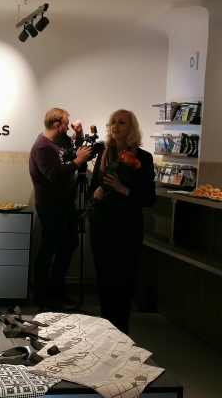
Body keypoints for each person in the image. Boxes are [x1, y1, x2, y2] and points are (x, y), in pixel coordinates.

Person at [87, 109, 156, 334]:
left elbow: (149, 198)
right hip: (101, 227)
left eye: (121, 122)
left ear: (131, 128)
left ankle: (121, 336)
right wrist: (96, 192)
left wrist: (123, 189)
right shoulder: (103, 154)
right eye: (113, 122)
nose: (115, 126)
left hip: (127, 230)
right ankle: (106, 332)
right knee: (104, 283)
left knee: (123, 284)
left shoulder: (143, 158)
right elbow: (91, 189)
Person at [29, 107, 91, 310]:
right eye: (66, 124)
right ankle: (41, 295)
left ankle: (57, 288)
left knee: (69, 243)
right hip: (50, 206)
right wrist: (78, 161)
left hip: (65, 203)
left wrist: (79, 134)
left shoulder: (61, 140)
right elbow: (55, 176)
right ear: (57, 125)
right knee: (49, 249)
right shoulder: (42, 147)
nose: (68, 127)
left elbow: (74, 146)